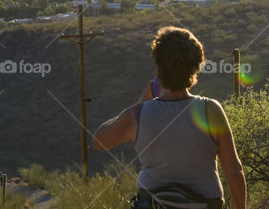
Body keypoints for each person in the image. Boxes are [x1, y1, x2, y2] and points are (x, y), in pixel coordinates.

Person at [92, 27, 247, 209]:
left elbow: (98, 141)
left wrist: (141, 102)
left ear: (158, 69)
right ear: (196, 68)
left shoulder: (137, 115)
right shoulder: (210, 110)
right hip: (205, 204)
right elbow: (233, 170)